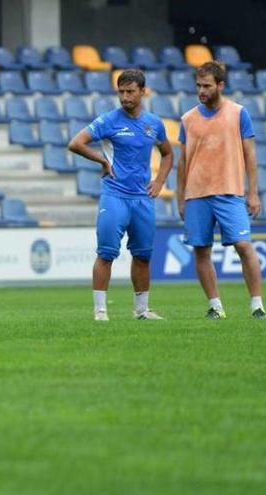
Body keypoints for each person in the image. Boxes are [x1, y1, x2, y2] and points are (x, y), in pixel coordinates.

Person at [68, 69, 173, 321]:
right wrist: (102, 161)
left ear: (142, 92)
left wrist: (159, 181)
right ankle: (100, 310)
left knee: (143, 256)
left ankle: (141, 310)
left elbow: (168, 153)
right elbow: (76, 143)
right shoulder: (108, 121)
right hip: (115, 196)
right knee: (106, 253)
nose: (125, 97)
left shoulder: (153, 124)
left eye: (130, 91)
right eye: (121, 92)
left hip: (142, 199)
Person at [177, 61, 265, 319]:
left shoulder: (239, 113)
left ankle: (257, 305)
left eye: (206, 86)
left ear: (220, 85)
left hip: (229, 191)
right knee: (201, 249)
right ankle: (215, 306)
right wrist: (182, 197)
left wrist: (253, 192)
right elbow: (182, 162)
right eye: (198, 86)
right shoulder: (188, 119)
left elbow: (250, 156)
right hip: (196, 194)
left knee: (244, 245)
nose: (201, 91)